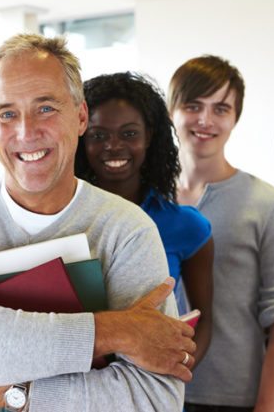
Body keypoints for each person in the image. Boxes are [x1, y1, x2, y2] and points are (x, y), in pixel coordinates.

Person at [0, 33, 194, 412]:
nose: (26, 132)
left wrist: (19, 394)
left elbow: (154, 400)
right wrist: (118, 330)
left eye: (45, 108)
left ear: (79, 116)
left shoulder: (126, 229)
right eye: (7, 113)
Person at [168, 55, 274, 412]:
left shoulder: (268, 204)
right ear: (172, 110)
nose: (205, 120)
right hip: (152, 390)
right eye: (193, 105)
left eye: (221, 109)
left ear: (235, 118)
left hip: (231, 397)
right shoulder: (145, 201)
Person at [75, 71, 214, 368]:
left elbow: (204, 319)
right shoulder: (62, 219)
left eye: (128, 133)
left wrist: (178, 369)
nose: (113, 146)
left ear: (149, 136)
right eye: (98, 135)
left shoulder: (188, 226)